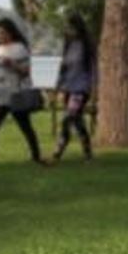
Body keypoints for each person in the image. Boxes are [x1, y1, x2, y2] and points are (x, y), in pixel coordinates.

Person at [0, 18, 46, 166]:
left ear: (10, 33)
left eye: (2, 33)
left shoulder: (19, 49)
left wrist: (12, 64)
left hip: (15, 95)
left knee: (25, 127)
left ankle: (36, 156)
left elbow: (26, 72)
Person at [52, 13, 95, 162]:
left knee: (69, 116)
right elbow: (63, 68)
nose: (67, 30)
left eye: (70, 27)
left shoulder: (87, 45)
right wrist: (58, 86)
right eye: (67, 27)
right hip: (68, 87)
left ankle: (59, 149)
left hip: (81, 88)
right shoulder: (68, 45)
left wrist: (94, 87)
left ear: (77, 27)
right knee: (76, 120)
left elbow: (94, 68)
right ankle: (87, 151)